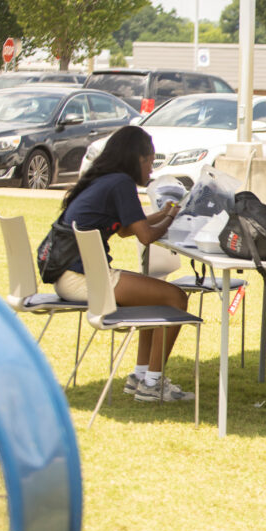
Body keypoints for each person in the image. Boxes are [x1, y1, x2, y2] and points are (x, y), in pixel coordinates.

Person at [51, 125, 193, 403]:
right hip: (82, 279)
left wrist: (163, 214)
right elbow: (146, 236)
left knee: (154, 295)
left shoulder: (105, 180)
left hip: (70, 275)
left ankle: (141, 377)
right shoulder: (120, 184)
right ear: (137, 159)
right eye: (150, 161)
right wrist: (173, 216)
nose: (151, 170)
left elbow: (127, 229)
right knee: (175, 298)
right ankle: (152, 384)